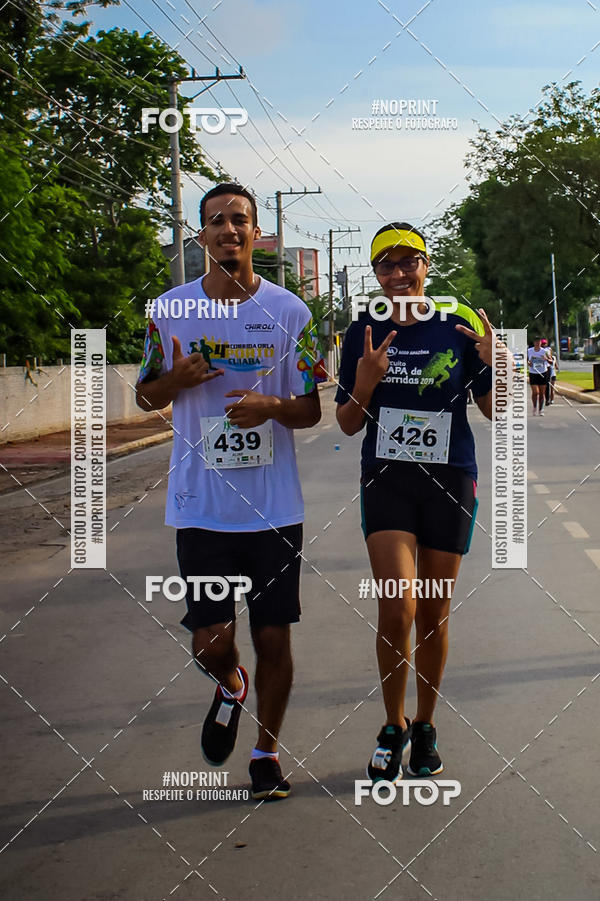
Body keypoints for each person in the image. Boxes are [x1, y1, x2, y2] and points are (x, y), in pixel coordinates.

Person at [136, 183, 325, 800]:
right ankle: (229, 683)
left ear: (254, 234)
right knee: (211, 641)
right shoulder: (168, 310)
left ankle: (266, 754)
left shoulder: (290, 313)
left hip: (274, 508)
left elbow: (310, 410)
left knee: (274, 636)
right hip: (200, 506)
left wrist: (271, 404)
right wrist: (175, 379)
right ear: (202, 236)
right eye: (216, 221)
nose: (229, 230)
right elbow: (145, 396)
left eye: (239, 220)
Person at [335, 222, 495, 781]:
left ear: (427, 266)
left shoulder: (460, 325)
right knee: (397, 607)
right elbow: (349, 423)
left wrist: (497, 362)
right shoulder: (362, 332)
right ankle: (392, 723)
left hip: (451, 480)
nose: (400, 275)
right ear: (375, 275)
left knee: (432, 612)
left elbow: (499, 412)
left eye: (410, 263)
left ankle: (425, 723)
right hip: (388, 481)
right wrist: (368, 381)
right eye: (388, 266)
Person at [527, 337, 551, 415]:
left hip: (543, 373)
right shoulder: (529, 351)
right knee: (535, 392)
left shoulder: (545, 351)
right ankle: (534, 407)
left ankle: (541, 409)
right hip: (533, 373)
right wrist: (528, 363)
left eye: (539, 342)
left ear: (541, 343)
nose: (537, 343)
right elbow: (526, 360)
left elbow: (551, 361)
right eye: (536, 342)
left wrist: (546, 359)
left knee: (541, 393)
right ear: (534, 343)